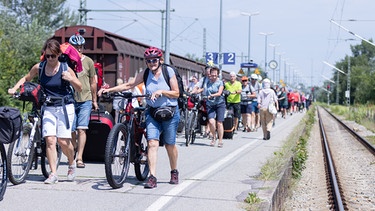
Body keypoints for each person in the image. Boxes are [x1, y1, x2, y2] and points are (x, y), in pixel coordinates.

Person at [98, 46, 179, 189]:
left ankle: (174, 171)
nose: (152, 63)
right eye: (149, 61)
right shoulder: (146, 73)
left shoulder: (168, 71)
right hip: (152, 112)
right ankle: (152, 176)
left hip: (170, 112)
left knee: (169, 144)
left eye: (154, 60)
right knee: (152, 143)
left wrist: (162, 91)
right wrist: (108, 90)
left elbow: (176, 93)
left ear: (160, 60)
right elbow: (129, 84)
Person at [8, 39, 82, 184]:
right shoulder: (40, 67)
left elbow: (79, 88)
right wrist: (14, 88)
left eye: (52, 56)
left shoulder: (65, 68)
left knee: (63, 141)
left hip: (65, 107)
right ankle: (53, 174)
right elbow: (26, 78)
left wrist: (71, 80)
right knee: (50, 140)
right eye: (47, 56)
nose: (50, 59)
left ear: (58, 54)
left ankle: (71, 163)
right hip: (48, 107)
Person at [69, 33, 98, 169]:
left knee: (82, 129)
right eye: (76, 47)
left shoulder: (89, 62)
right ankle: (73, 149)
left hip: (85, 99)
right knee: (71, 129)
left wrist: (94, 100)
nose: (78, 49)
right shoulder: (66, 61)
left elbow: (93, 82)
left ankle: (79, 157)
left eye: (80, 47)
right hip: (70, 99)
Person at [195, 66, 225, 147]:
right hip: (210, 104)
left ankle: (220, 140)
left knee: (219, 123)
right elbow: (202, 89)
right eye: (212, 75)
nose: (213, 76)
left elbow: (219, 93)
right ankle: (214, 137)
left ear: (218, 75)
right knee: (211, 122)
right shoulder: (207, 82)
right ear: (210, 74)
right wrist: (196, 91)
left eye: (215, 75)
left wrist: (211, 95)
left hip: (220, 104)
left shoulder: (220, 82)